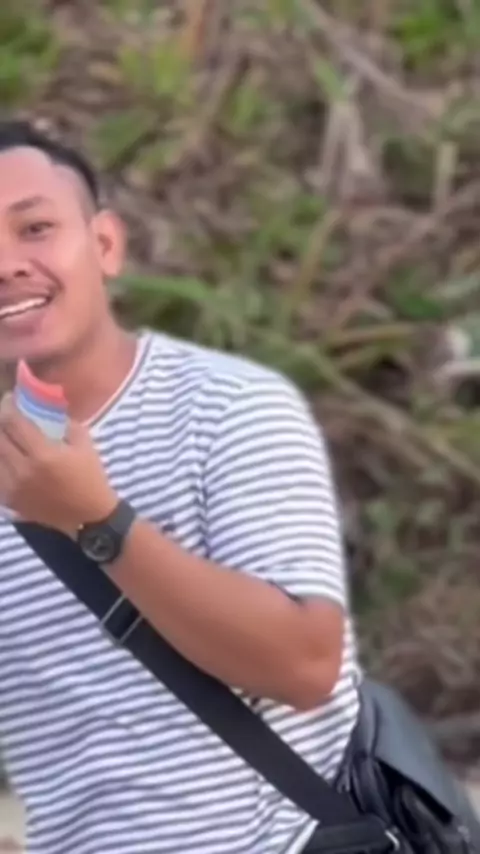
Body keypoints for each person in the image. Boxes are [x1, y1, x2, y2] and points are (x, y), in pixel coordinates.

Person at [0, 121, 360, 854]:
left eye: (34, 228)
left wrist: (95, 519)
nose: (6, 265)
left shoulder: (229, 407)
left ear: (105, 245)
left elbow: (305, 667)